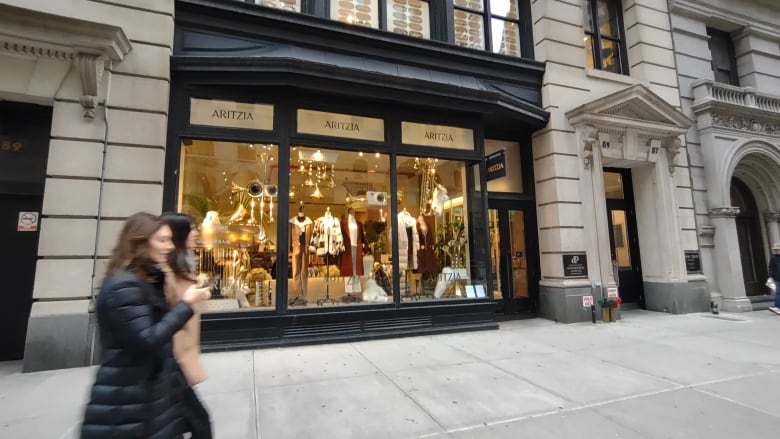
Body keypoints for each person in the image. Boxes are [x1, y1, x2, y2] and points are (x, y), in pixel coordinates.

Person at [80, 212, 209, 439]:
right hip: (130, 396)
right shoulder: (124, 286)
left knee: (197, 423)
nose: (169, 246)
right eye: (162, 240)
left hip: (150, 389)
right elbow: (148, 338)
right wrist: (186, 304)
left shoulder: (145, 279)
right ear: (140, 242)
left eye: (170, 239)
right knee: (198, 423)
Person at [162, 212, 212, 438]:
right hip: (172, 361)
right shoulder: (165, 272)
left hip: (176, 362)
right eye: (192, 229)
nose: (196, 232)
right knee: (199, 424)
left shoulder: (181, 267)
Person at [769, 242, 780, 315]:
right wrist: (771, 276)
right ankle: (777, 307)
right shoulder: (773, 258)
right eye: (775, 250)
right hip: (777, 278)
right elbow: (770, 268)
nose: (776, 251)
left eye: (778, 249)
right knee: (778, 293)